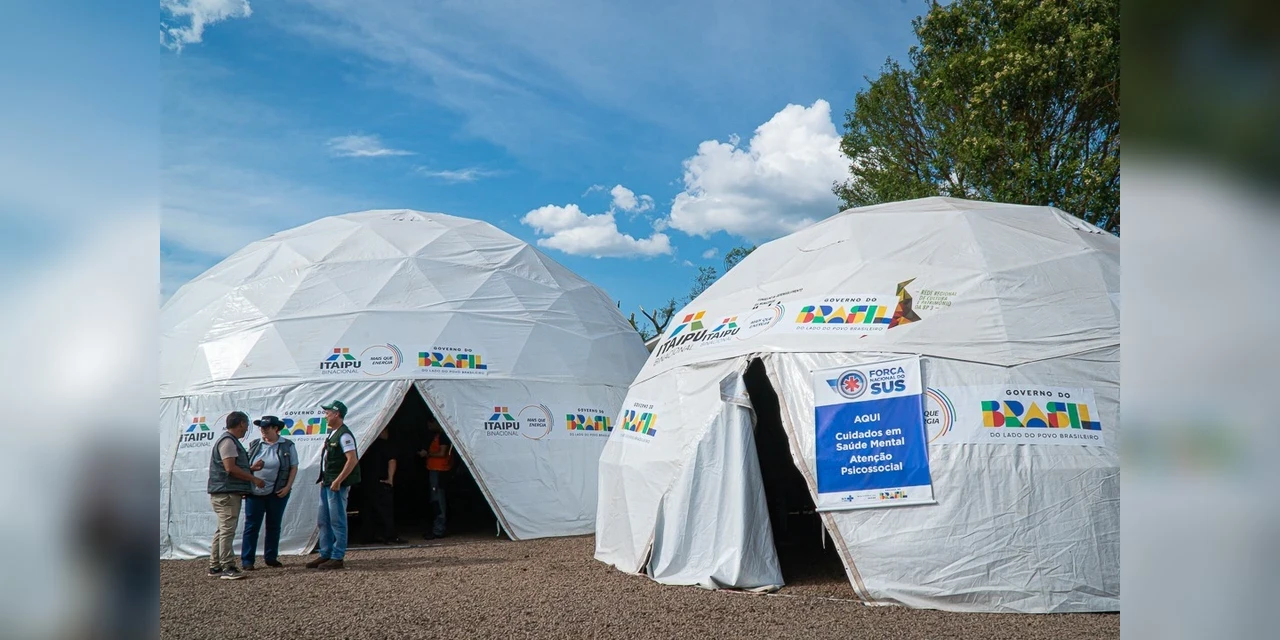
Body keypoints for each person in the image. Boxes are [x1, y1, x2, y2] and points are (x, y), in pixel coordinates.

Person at [207, 411, 265, 579]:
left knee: (222, 529)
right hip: (227, 493)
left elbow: (232, 466)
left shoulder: (229, 441)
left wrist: (250, 468)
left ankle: (215, 565)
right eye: (246, 424)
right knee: (227, 530)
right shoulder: (228, 442)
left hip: (224, 492)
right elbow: (230, 468)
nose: (247, 428)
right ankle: (228, 566)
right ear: (240, 424)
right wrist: (254, 479)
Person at [307, 400, 361, 570]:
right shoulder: (333, 433)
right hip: (328, 482)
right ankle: (326, 553)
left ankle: (337, 556)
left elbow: (352, 460)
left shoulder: (344, 435)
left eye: (327, 413)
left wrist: (338, 480)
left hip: (335, 484)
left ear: (337, 414)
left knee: (337, 519)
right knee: (323, 520)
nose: (325, 416)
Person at [240, 415, 298, 570]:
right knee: (252, 526)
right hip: (255, 492)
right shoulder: (254, 444)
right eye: (261, 428)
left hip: (277, 491)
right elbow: (245, 467)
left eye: (266, 427)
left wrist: (287, 487)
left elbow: (293, 467)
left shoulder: (287, 445)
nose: (263, 430)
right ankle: (247, 560)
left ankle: (271, 557)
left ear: (276, 429)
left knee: (273, 525)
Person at [361, 427, 402, 544]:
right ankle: (389, 536)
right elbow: (392, 461)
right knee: (385, 511)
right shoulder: (386, 445)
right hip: (381, 481)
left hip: (367, 482)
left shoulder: (366, 446)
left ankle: (368, 536)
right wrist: (390, 479)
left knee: (368, 510)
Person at [417, 417, 455, 539]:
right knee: (437, 500)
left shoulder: (443, 436)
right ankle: (439, 528)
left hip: (439, 471)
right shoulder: (438, 435)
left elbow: (442, 453)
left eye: (430, 423)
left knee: (438, 501)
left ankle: (439, 530)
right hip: (436, 470)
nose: (428, 426)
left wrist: (426, 454)